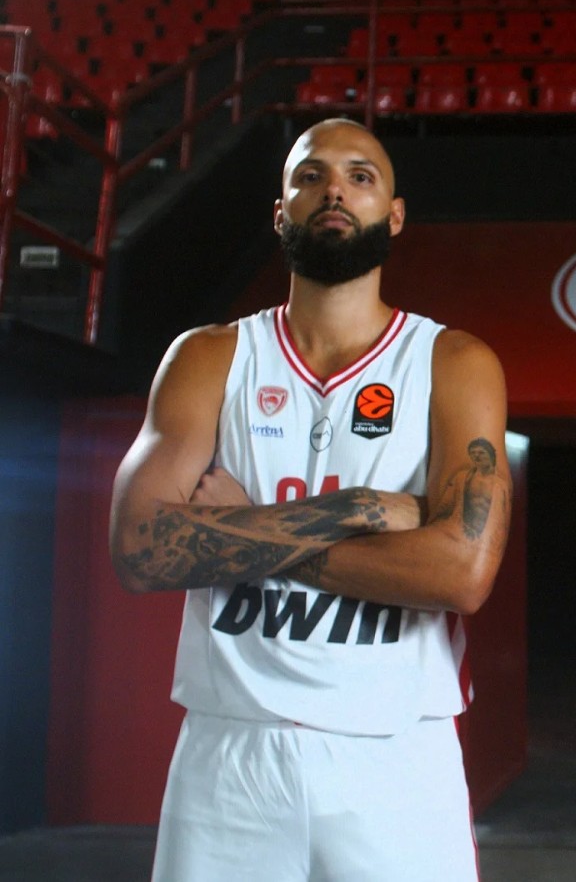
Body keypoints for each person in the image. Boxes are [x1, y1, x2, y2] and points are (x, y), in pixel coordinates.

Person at [109, 118, 511, 882]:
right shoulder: (209, 356)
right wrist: (358, 508)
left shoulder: (453, 361)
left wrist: (235, 531)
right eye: (310, 175)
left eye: (361, 176)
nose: (334, 191)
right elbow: (138, 548)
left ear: (394, 214)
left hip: (397, 755)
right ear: (279, 211)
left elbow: (461, 574)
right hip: (231, 751)